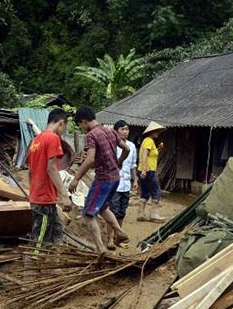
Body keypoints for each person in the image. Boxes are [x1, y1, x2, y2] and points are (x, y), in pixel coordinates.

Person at [69, 106, 130, 252]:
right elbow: (126, 149)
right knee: (103, 207)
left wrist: (76, 178)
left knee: (88, 214)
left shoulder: (91, 135)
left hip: (103, 179)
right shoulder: (110, 131)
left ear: (84, 121)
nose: (82, 129)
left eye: (80, 125)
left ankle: (100, 248)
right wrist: (119, 162)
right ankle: (120, 233)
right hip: (115, 177)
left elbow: (90, 159)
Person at [27, 108, 73, 248]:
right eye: (65, 127)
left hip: (39, 197)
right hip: (44, 199)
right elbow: (51, 168)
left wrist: (32, 191)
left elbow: (30, 171)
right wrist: (64, 195)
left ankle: (54, 265)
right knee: (39, 240)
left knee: (57, 235)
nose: (64, 131)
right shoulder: (53, 138)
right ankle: (31, 267)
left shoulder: (36, 140)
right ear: (61, 123)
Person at [107, 120, 138, 249]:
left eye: (127, 129)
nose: (125, 131)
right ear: (116, 131)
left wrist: (135, 180)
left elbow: (133, 165)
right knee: (112, 212)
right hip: (114, 184)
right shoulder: (112, 145)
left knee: (121, 212)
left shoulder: (131, 146)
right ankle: (109, 239)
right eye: (122, 129)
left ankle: (117, 237)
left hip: (126, 184)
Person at [138, 121, 166, 223]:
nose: (158, 132)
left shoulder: (148, 141)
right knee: (156, 191)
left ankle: (141, 213)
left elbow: (150, 154)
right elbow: (144, 154)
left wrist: (159, 148)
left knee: (145, 191)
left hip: (144, 169)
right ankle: (154, 214)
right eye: (157, 131)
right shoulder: (149, 140)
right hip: (148, 170)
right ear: (152, 131)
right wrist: (145, 170)